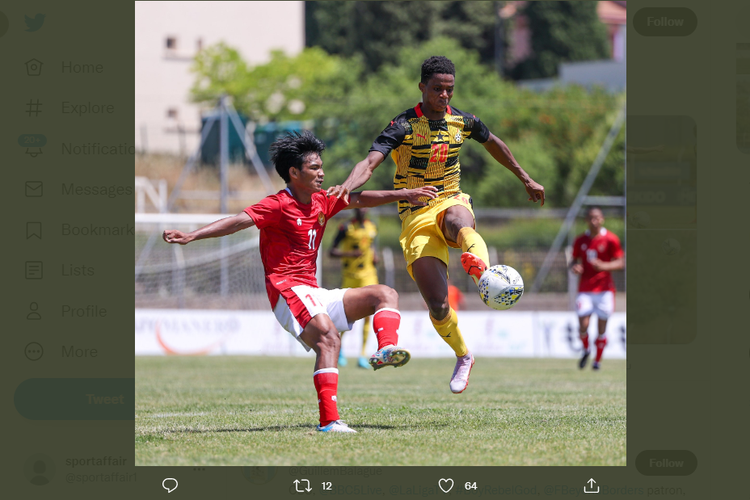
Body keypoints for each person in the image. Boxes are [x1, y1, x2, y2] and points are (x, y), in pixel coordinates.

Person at [163, 131, 437, 433]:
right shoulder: (277, 204)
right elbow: (238, 220)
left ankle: (386, 349)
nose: (322, 173)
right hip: (286, 289)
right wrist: (193, 235)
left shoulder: (322, 201)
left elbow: (359, 199)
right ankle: (329, 421)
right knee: (329, 339)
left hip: (313, 291)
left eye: (321, 167)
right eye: (314, 168)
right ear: (294, 173)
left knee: (385, 294)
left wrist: (405, 194)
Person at [328, 56, 545, 393]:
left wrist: (525, 177)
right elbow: (369, 162)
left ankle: (482, 273)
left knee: (459, 220)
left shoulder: (463, 121)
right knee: (439, 305)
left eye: (450, 90)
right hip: (414, 213)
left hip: (450, 198)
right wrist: (347, 185)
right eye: (438, 89)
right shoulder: (402, 126)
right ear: (422, 88)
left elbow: (494, 144)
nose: (445, 96)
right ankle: (464, 355)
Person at [569, 206, 624, 370]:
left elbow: (621, 262)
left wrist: (604, 266)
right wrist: (575, 267)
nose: (594, 221)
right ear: (587, 220)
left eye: (597, 218)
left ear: (602, 219)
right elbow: (573, 260)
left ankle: (597, 361)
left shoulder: (611, 239)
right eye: (591, 218)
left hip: (605, 290)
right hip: (585, 289)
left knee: (601, 328)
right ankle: (586, 349)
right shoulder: (580, 240)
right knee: (583, 325)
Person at [329, 207, 380, 369]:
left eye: (366, 207)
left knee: (368, 316)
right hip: (350, 277)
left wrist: (374, 255)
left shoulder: (372, 226)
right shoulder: (345, 228)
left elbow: (371, 246)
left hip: (369, 276)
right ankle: (339, 349)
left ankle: (362, 355)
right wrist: (350, 254)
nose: (364, 210)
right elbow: (332, 251)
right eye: (361, 207)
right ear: (355, 209)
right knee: (345, 314)